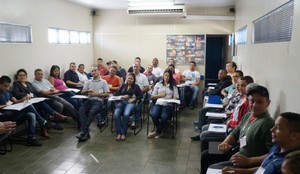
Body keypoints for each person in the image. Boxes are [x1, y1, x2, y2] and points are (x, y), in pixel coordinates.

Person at [202, 85, 275, 174]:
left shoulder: (267, 123)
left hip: (249, 165)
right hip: (238, 155)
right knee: (206, 154)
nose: (254, 105)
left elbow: (272, 154)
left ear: (268, 103)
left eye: (259, 102)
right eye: (252, 101)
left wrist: (249, 160)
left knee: (210, 163)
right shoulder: (248, 115)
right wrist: (226, 142)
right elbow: (236, 132)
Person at [221, 112, 300, 174]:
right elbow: (263, 169)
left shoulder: (290, 165)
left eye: (278, 128)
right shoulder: (277, 147)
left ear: (294, 136)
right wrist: (237, 171)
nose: (272, 130)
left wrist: (248, 162)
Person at [0, 75, 45, 146]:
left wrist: (22, 100)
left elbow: (15, 101)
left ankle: (31, 139)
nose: (7, 88)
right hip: (4, 115)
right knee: (29, 106)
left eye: (8, 86)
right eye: (5, 86)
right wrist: (4, 105)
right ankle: (42, 121)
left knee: (31, 115)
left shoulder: (8, 92)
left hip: (13, 112)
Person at [76, 66, 109, 142]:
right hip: (89, 100)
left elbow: (107, 94)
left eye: (95, 70)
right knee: (81, 111)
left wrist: (96, 94)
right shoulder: (89, 81)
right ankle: (86, 132)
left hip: (98, 101)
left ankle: (83, 132)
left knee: (91, 112)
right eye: (92, 71)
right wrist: (88, 90)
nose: (93, 72)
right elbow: (82, 92)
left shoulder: (103, 82)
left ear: (98, 71)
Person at [148, 69, 179, 139]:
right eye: (165, 75)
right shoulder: (158, 84)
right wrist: (160, 95)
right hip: (158, 103)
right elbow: (152, 96)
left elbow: (176, 97)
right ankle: (160, 130)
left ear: (170, 77)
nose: (166, 77)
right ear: (163, 76)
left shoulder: (173, 86)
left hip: (168, 105)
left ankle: (157, 132)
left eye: (168, 76)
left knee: (164, 117)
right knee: (153, 114)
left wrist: (173, 98)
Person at [113, 73, 143, 141]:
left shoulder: (136, 86)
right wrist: (122, 96)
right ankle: (118, 133)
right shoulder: (123, 85)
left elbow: (141, 96)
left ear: (134, 80)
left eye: (131, 78)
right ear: (126, 78)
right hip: (121, 102)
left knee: (126, 114)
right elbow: (117, 94)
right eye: (128, 78)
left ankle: (124, 133)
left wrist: (134, 99)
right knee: (116, 114)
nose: (129, 80)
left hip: (130, 103)